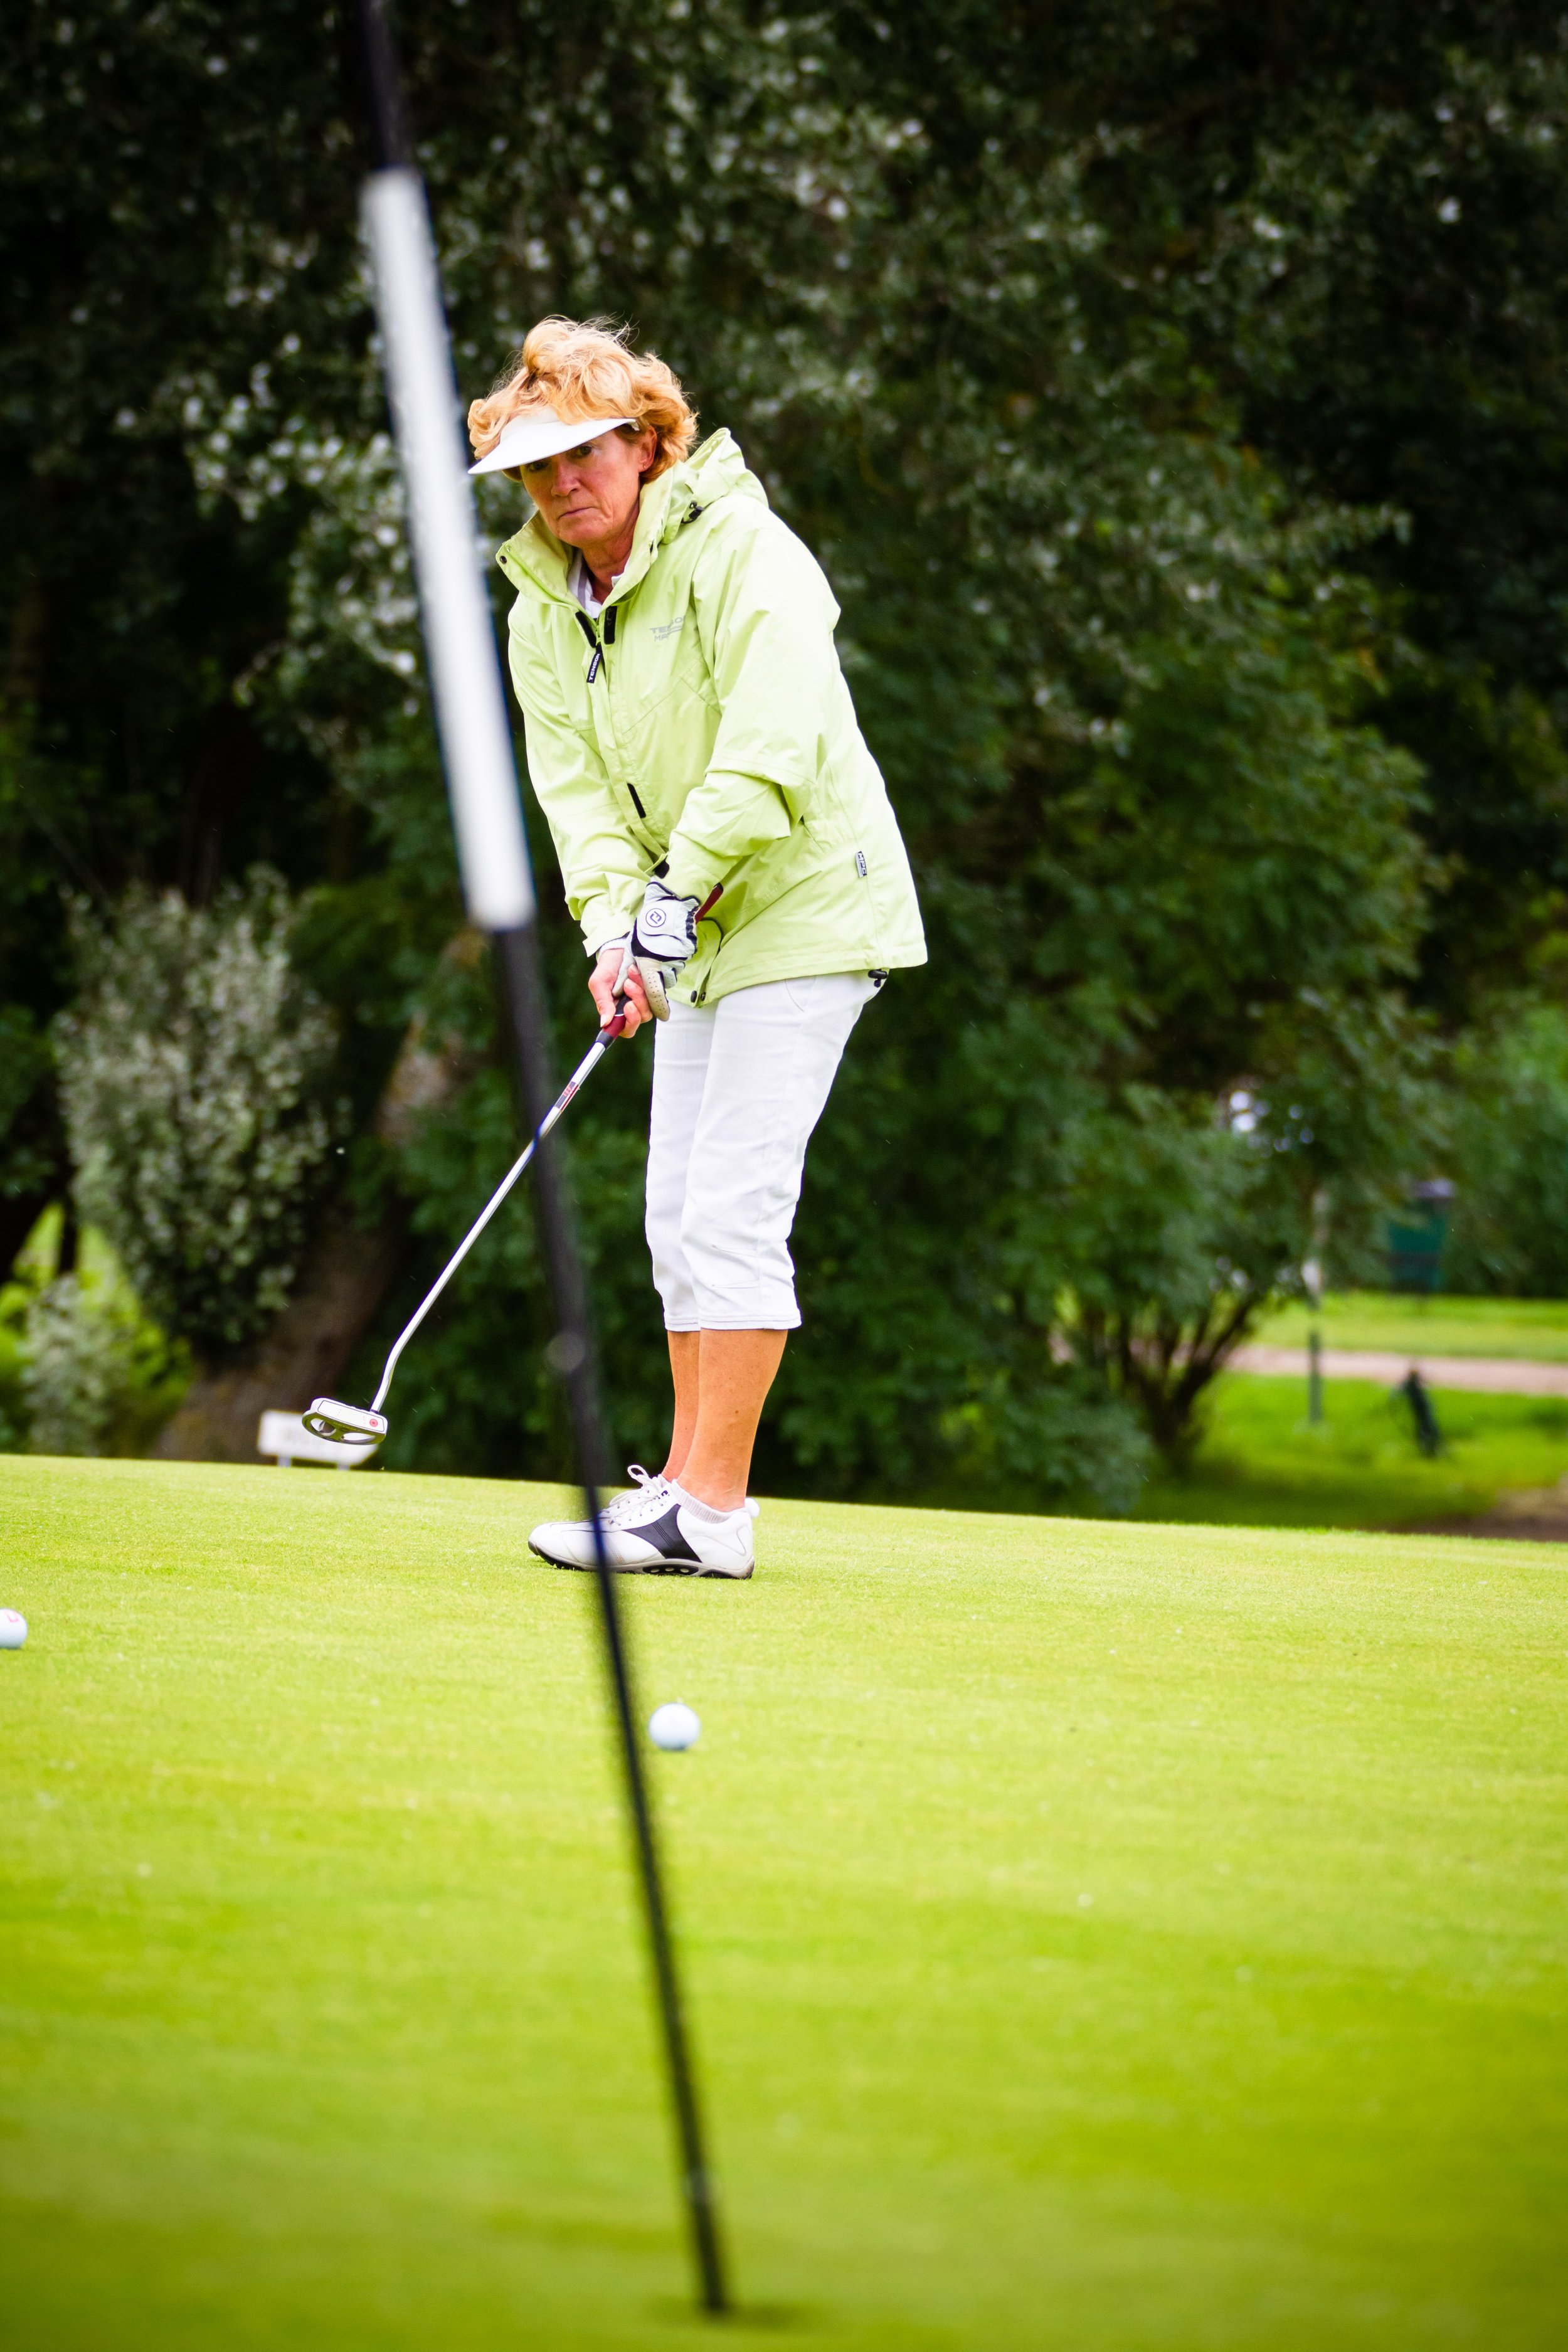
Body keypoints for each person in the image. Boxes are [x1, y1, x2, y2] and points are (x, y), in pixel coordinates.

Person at [467, 317, 924, 1578]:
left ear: (644, 440)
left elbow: (770, 751)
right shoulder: (542, 610)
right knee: (675, 1211)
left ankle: (711, 1512)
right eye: (536, 469)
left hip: (805, 906)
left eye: (584, 455)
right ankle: (676, 1490)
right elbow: (575, 800)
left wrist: (669, 905)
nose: (562, 486)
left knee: (730, 1203)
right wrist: (616, 935)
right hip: (691, 923)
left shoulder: (745, 552)